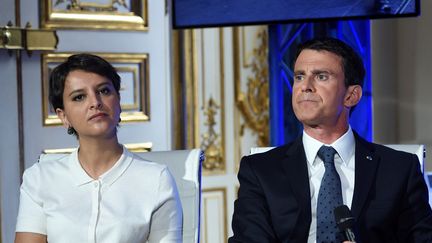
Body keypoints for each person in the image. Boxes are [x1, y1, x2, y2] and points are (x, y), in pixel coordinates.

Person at [229, 37, 432, 242]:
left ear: (351, 96)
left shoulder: (398, 169)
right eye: (299, 76)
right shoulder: (261, 170)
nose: (305, 86)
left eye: (321, 77)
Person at [15, 54, 183, 243]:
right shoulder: (39, 179)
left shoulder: (157, 180)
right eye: (79, 97)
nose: (95, 102)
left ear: (118, 101)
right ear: (63, 117)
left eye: (104, 91)